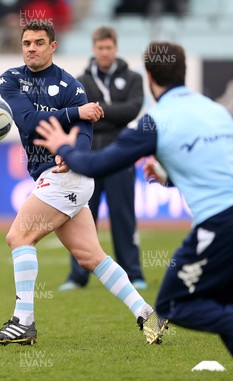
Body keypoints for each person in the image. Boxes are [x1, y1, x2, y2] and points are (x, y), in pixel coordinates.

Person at [34, 42, 233, 381]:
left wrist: (63, 146)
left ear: (150, 77)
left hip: (221, 224)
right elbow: (216, 168)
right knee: (229, 312)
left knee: (173, 305)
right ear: (183, 71)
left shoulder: (155, 122)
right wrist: (170, 177)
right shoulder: (215, 109)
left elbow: (96, 164)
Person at [0, 20, 167, 346]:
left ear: (53, 46)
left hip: (66, 175)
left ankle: (23, 321)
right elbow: (27, 120)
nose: (31, 49)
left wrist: (75, 152)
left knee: (18, 236)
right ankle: (147, 315)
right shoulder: (10, 80)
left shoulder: (70, 85)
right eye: (26, 43)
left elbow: (86, 132)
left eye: (39, 42)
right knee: (91, 256)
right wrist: (76, 113)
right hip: (58, 177)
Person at [59, 26, 146, 292]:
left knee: (124, 216)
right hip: (89, 154)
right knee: (82, 215)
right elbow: (74, 113)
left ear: (115, 48)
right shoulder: (80, 81)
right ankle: (77, 276)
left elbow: (131, 110)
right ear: (94, 49)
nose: (105, 52)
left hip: (121, 153)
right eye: (100, 48)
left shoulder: (132, 78)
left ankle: (133, 273)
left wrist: (97, 111)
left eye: (109, 47)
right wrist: (104, 113)